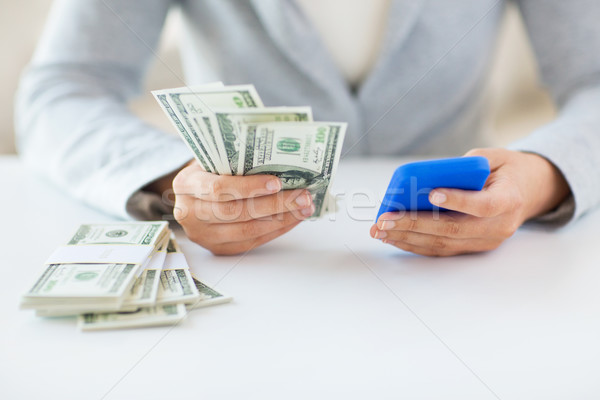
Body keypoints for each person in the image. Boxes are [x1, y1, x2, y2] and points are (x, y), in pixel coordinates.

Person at [15, 0, 600, 256]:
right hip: (253, 278)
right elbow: (61, 90)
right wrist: (175, 184)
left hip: (474, 269)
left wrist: (544, 179)